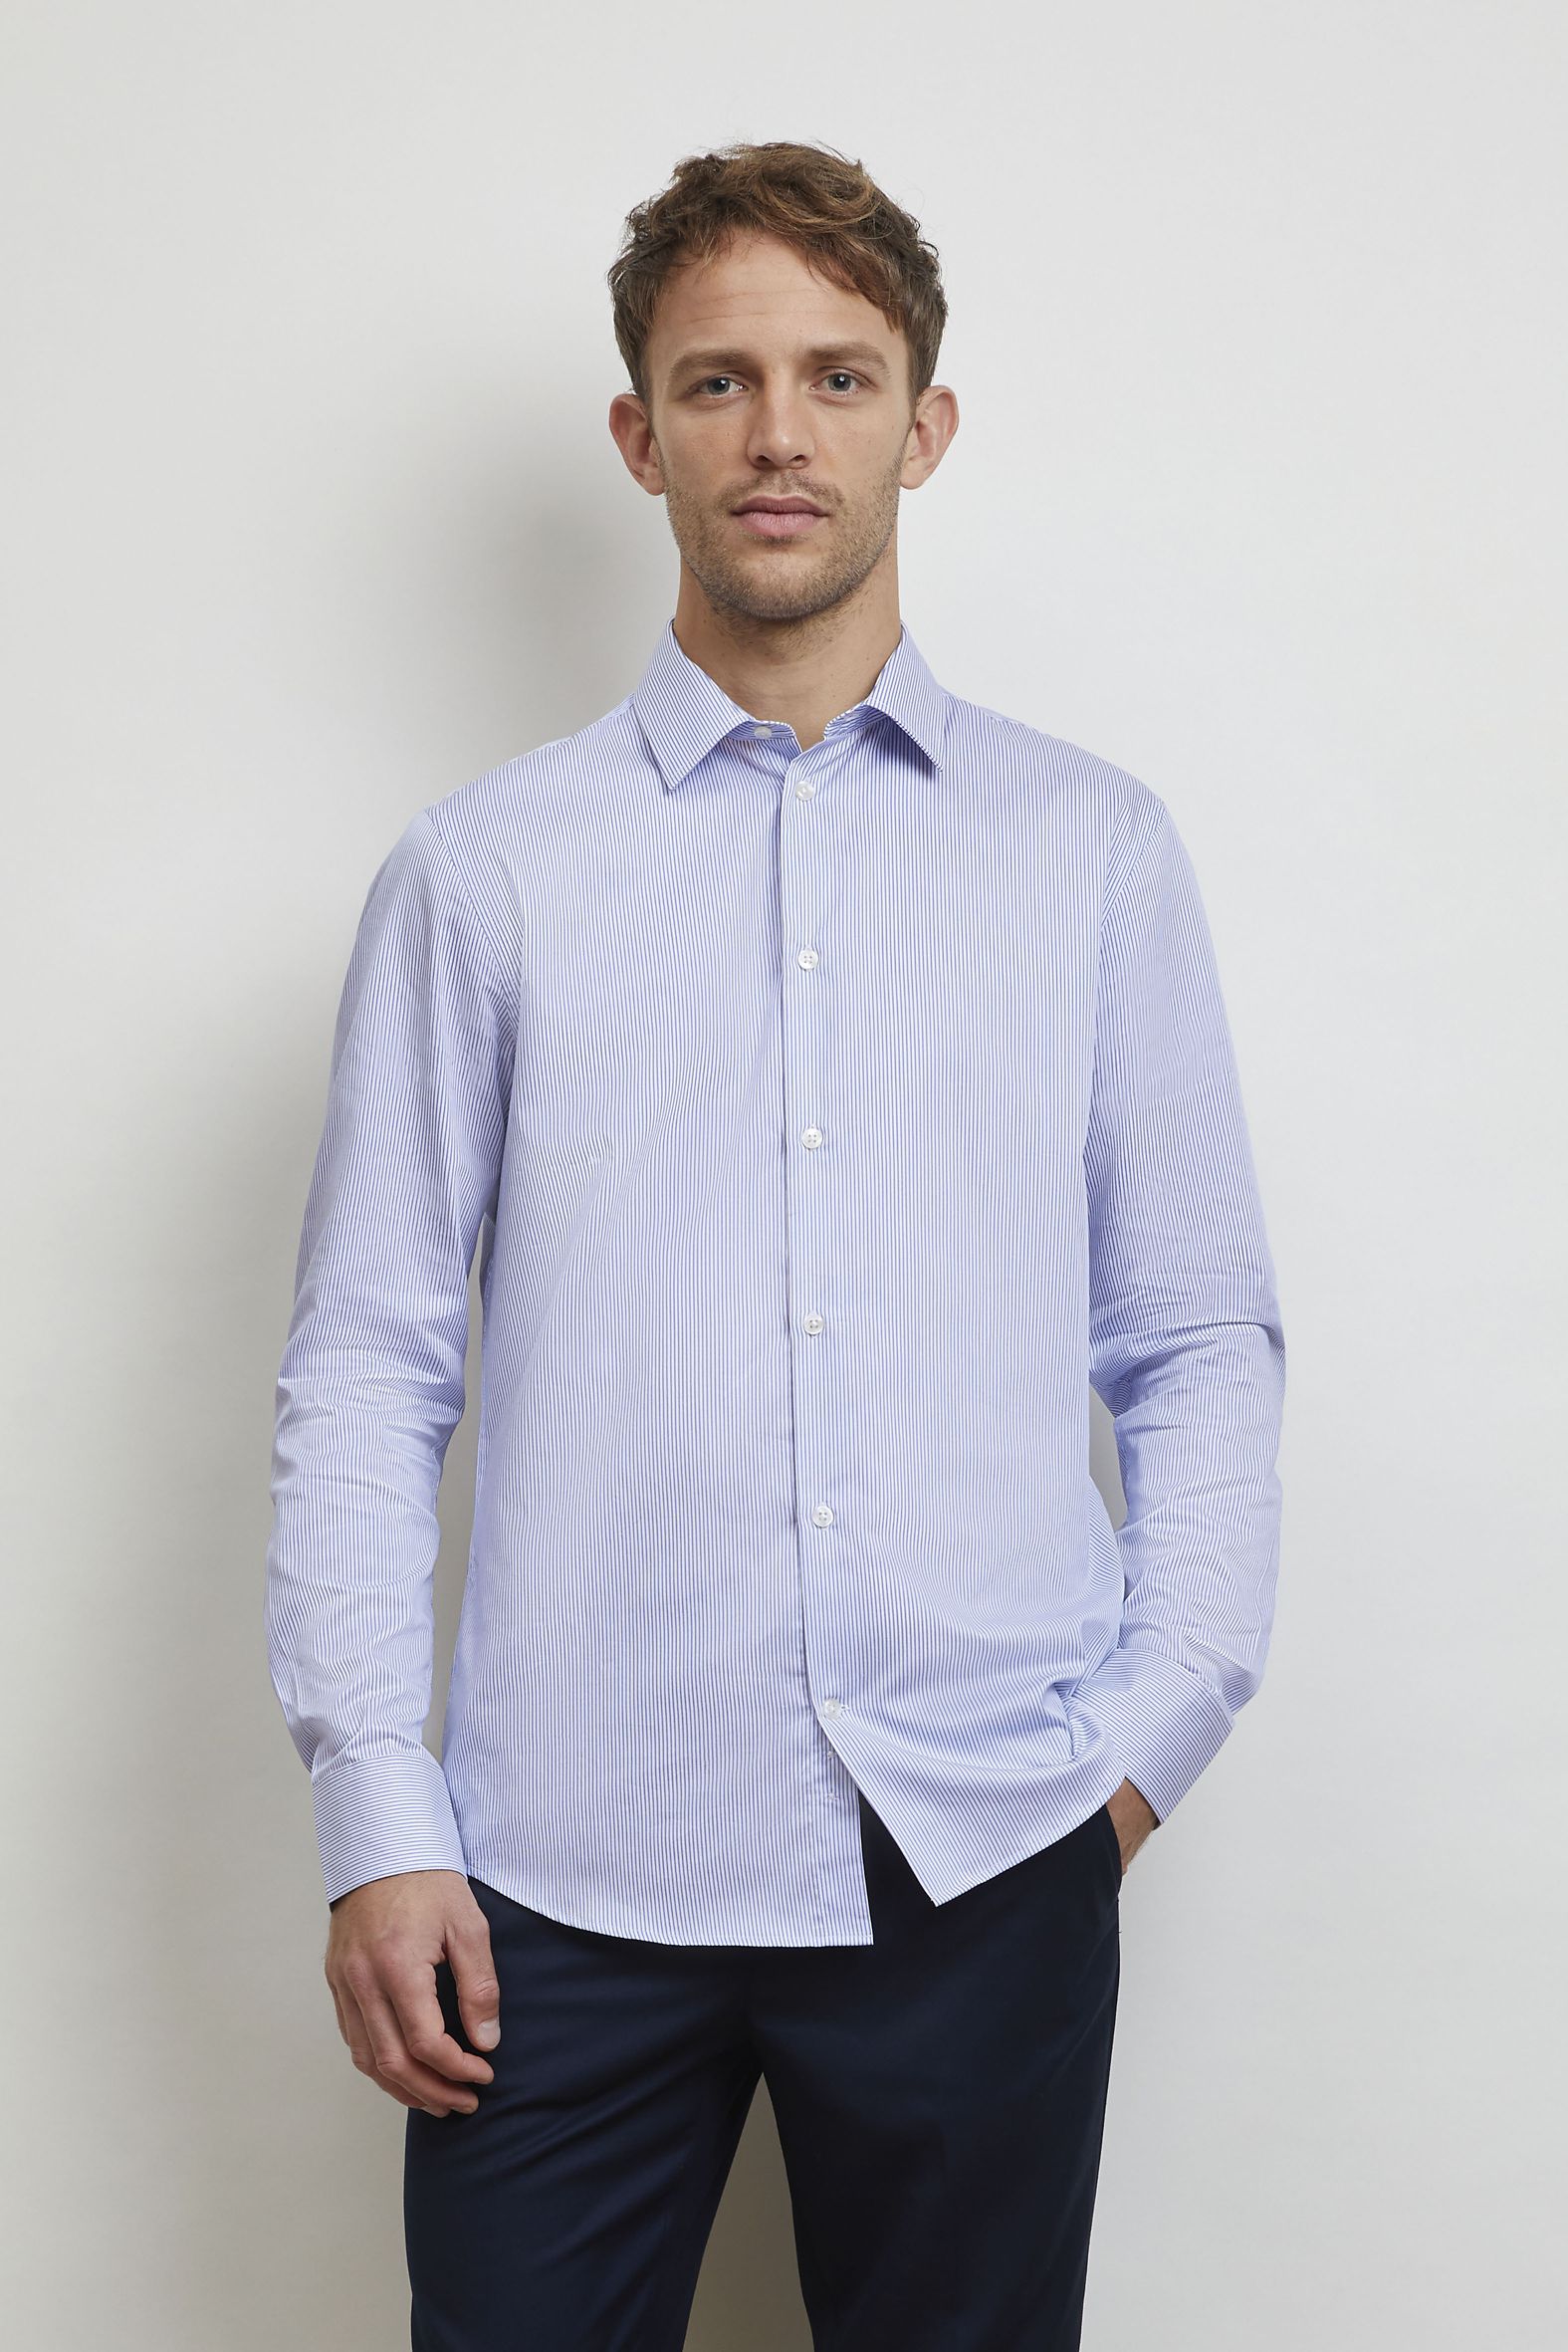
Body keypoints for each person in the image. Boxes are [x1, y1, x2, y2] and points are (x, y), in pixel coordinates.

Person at [266, 137, 1286, 2352]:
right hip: (554, 1872)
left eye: (838, 376)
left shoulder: (1091, 853)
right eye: (716, 381)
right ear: (639, 437)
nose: (778, 433)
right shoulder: (486, 873)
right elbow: (366, 1363)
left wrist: (1139, 1739)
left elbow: (1196, 1333)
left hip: (982, 1845)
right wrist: (378, 1813)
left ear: (926, 424)